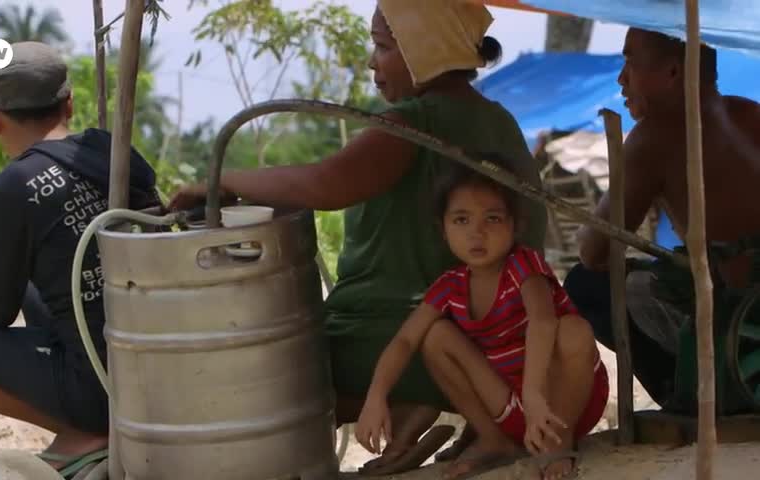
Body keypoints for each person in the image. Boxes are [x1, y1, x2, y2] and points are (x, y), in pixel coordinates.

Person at [170, 0, 546, 473]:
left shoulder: (411, 124)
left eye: (383, 46)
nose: (372, 61)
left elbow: (324, 184)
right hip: (492, 343)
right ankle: (431, 408)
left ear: (423, 50)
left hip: (406, 339)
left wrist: (221, 183)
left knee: (249, 375)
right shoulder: (499, 120)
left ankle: (410, 401)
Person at [0, 42, 162, 477]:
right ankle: (94, 419)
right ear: (69, 103)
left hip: (98, 384)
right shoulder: (109, 149)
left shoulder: (11, 187)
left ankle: (85, 430)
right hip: (156, 354)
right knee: (34, 279)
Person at [353, 167, 607, 480]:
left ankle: (557, 444)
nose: (477, 232)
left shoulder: (523, 264)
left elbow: (542, 322)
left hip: (563, 403)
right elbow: (405, 341)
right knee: (435, 336)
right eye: (461, 219)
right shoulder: (449, 286)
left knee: (573, 329)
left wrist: (534, 393)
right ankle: (494, 440)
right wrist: (375, 397)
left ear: (515, 226)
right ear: (443, 229)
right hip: (508, 408)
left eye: (492, 218)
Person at [566, 27, 760, 406]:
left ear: (673, 72)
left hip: (735, 311)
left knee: (585, 284)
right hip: (751, 302)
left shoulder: (655, 133)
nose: (621, 79)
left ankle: (685, 395)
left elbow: (594, 252)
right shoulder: (750, 112)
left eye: (630, 62)